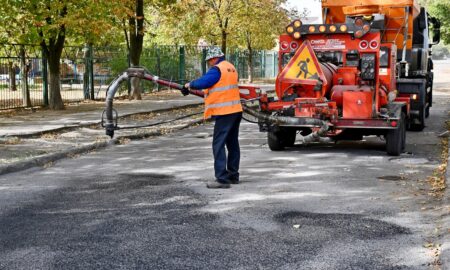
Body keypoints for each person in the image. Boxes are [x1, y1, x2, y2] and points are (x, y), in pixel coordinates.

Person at [184, 47, 242, 189]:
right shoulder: (230, 67)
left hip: (224, 112)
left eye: (209, 60)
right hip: (236, 110)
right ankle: (233, 175)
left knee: (218, 144)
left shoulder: (217, 69)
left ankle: (222, 178)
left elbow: (205, 82)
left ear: (214, 58)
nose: (209, 63)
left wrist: (189, 85)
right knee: (232, 143)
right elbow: (219, 85)